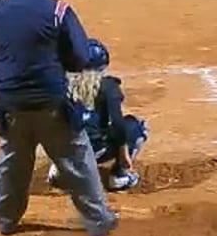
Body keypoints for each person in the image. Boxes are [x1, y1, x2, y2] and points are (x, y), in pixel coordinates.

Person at [0, 0, 117, 236]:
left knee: (12, 162)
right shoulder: (58, 10)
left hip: (9, 103)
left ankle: (4, 220)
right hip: (50, 102)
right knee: (76, 158)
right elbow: (80, 58)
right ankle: (98, 220)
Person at [50, 39, 147, 192]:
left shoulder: (60, 84)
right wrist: (123, 155)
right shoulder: (108, 87)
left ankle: (59, 170)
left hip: (64, 149)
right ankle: (119, 176)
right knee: (136, 127)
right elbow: (117, 125)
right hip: (93, 151)